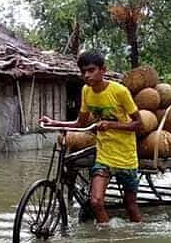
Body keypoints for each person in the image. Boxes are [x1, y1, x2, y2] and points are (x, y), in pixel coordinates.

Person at [39, 50, 142, 224]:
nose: (87, 75)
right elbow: (80, 123)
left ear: (103, 70)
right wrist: (54, 123)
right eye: (83, 71)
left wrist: (111, 125)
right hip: (104, 155)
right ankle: (107, 239)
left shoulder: (120, 92)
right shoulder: (86, 91)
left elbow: (139, 124)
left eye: (91, 70)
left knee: (130, 205)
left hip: (126, 156)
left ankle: (138, 239)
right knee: (96, 202)